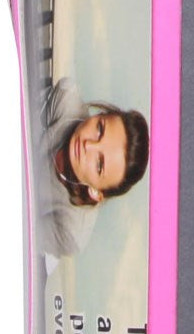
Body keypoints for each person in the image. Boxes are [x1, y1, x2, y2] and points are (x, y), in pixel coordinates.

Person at [34, 76, 149, 257]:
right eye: (99, 129)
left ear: (96, 192)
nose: (88, 145)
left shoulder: (71, 231)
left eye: (99, 164)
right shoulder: (66, 99)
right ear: (100, 115)